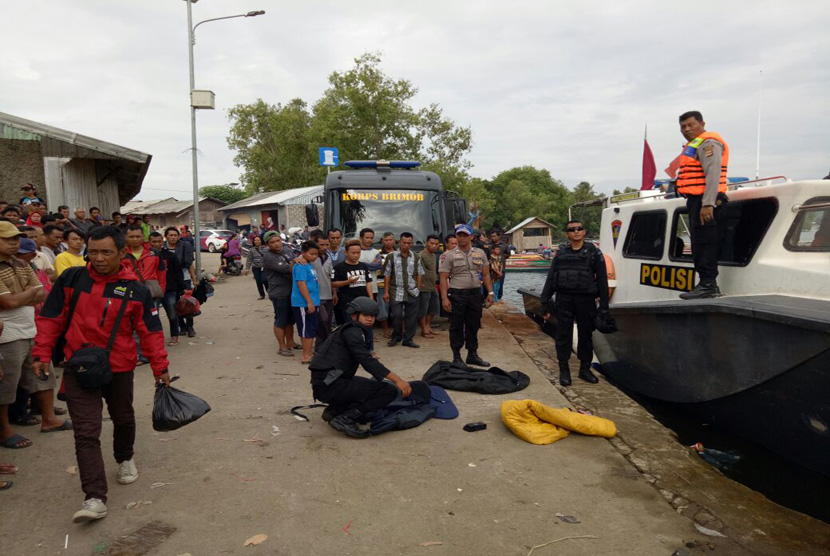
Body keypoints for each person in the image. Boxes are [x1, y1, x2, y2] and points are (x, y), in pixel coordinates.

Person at [32, 226, 170, 523]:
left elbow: (150, 332)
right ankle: (94, 497)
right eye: (92, 252)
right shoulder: (72, 279)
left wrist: (160, 369)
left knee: (122, 417)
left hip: (119, 367)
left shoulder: (137, 290)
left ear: (122, 253)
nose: (98, 258)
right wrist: (42, 353)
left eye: (106, 252)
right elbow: (51, 318)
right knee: (86, 431)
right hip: (78, 366)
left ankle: (124, 457)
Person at [0, 222, 69, 451]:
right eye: (7, 239)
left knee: (43, 373)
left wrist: (21, 296)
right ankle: (4, 429)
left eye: (15, 239)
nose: (13, 243)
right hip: (6, 334)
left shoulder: (21, 263)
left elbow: (40, 293)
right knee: (7, 384)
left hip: (30, 326)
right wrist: (27, 295)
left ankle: (49, 419)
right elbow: (8, 302)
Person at [308, 297, 412, 439]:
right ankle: (345, 418)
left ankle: (334, 411)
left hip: (327, 383)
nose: (370, 319)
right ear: (354, 315)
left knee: (366, 386)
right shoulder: (353, 332)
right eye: (365, 315)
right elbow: (367, 362)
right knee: (387, 391)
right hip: (330, 385)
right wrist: (398, 380)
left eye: (373, 316)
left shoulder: (349, 329)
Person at [539, 220, 609, 386]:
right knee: (563, 335)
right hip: (564, 299)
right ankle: (564, 370)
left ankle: (584, 369)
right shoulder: (561, 253)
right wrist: (544, 301)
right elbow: (551, 277)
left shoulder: (594, 253)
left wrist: (604, 306)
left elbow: (602, 280)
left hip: (585, 299)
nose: (576, 231)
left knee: (585, 334)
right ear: (567, 234)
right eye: (572, 229)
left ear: (584, 232)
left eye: (579, 229)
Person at [676, 110, 729, 300]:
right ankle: (705, 283)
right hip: (697, 200)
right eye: (683, 126)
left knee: (705, 243)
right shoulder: (694, 145)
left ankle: (708, 285)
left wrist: (708, 204)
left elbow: (712, 174)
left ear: (702, 124)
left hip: (706, 200)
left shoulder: (709, 143)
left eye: (691, 125)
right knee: (698, 243)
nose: (687, 129)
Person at [439, 224, 493, 367]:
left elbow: (486, 274)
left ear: (471, 237)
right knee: (456, 325)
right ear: (456, 237)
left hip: (475, 294)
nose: (462, 238)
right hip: (457, 294)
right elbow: (443, 278)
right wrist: (444, 298)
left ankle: (472, 354)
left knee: (473, 324)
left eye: (465, 235)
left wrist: (490, 292)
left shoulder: (480, 253)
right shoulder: (448, 255)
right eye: (459, 235)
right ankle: (456, 356)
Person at [382, 232, 423, 349]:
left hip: (412, 290)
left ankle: (408, 339)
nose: (406, 245)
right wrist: (385, 291)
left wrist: (418, 287)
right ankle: (396, 336)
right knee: (396, 315)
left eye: (409, 243)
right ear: (399, 242)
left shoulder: (416, 256)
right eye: (404, 243)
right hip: (396, 290)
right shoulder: (391, 256)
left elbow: (419, 273)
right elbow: (387, 274)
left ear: (412, 243)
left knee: (412, 317)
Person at [262, 231, 298, 357]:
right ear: (267, 244)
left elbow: (294, 264)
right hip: (279, 293)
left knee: (290, 320)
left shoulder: (287, 250)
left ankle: (291, 342)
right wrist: (296, 263)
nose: (277, 244)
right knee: (280, 320)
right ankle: (282, 347)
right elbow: (286, 268)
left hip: (292, 291)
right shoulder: (268, 256)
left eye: (278, 241)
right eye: (272, 242)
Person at [332, 240, 374, 336]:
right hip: (348, 303)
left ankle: (369, 349)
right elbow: (333, 284)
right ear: (346, 252)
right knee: (350, 327)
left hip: (364, 302)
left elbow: (368, 283)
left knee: (367, 326)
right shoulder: (339, 268)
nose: (356, 255)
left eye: (358, 252)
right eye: (353, 253)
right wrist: (347, 282)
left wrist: (371, 299)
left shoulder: (363, 266)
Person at [149, 232, 184, 346]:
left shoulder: (169, 256)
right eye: (153, 242)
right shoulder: (146, 257)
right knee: (153, 317)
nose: (156, 244)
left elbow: (178, 272)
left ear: (162, 242)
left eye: (159, 241)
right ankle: (155, 340)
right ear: (149, 242)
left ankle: (174, 335)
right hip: (152, 291)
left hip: (169, 290)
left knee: (172, 314)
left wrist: (182, 288)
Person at [291, 241, 320, 364]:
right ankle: (306, 355)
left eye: (316, 254)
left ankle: (308, 352)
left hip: (311, 301)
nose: (314, 256)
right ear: (303, 253)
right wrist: (309, 302)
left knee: (309, 328)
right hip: (303, 303)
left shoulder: (308, 265)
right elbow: (301, 284)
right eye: (311, 254)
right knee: (306, 329)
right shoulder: (301, 266)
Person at [164, 227, 196, 337]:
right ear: (166, 237)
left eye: (175, 235)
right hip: (170, 281)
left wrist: (194, 279)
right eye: (170, 235)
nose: (173, 237)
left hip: (185, 279)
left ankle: (190, 326)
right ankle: (182, 326)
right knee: (176, 305)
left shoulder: (184, 246)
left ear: (178, 236)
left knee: (187, 304)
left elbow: (190, 264)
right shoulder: (163, 249)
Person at [418, 234, 441, 339]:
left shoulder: (434, 256)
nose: (434, 246)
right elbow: (418, 272)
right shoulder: (420, 255)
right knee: (423, 310)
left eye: (436, 244)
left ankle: (428, 326)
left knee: (433, 309)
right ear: (426, 243)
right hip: (423, 287)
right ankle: (424, 329)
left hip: (433, 286)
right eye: (432, 243)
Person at [376, 232, 396, 339]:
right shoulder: (377, 253)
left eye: (390, 240)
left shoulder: (399, 253)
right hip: (381, 285)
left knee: (397, 309)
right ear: (382, 241)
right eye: (386, 240)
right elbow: (378, 269)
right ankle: (385, 329)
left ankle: (399, 330)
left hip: (396, 286)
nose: (388, 242)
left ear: (394, 241)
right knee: (383, 309)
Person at [488, 228, 510, 301]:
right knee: (491, 283)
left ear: (498, 236)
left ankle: (499, 297)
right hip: (490, 268)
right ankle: (491, 297)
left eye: (494, 236)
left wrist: (501, 260)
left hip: (501, 268)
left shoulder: (504, 245)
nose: (492, 238)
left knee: (500, 283)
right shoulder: (489, 245)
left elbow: (508, 254)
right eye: (491, 236)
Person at [243, 235, 267, 299]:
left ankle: (269, 292)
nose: (257, 241)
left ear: (261, 241)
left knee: (264, 280)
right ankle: (262, 295)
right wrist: (247, 268)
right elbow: (249, 259)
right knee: (258, 281)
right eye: (255, 240)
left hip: (265, 267)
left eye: (258, 240)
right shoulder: (252, 250)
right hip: (256, 268)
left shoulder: (266, 248)